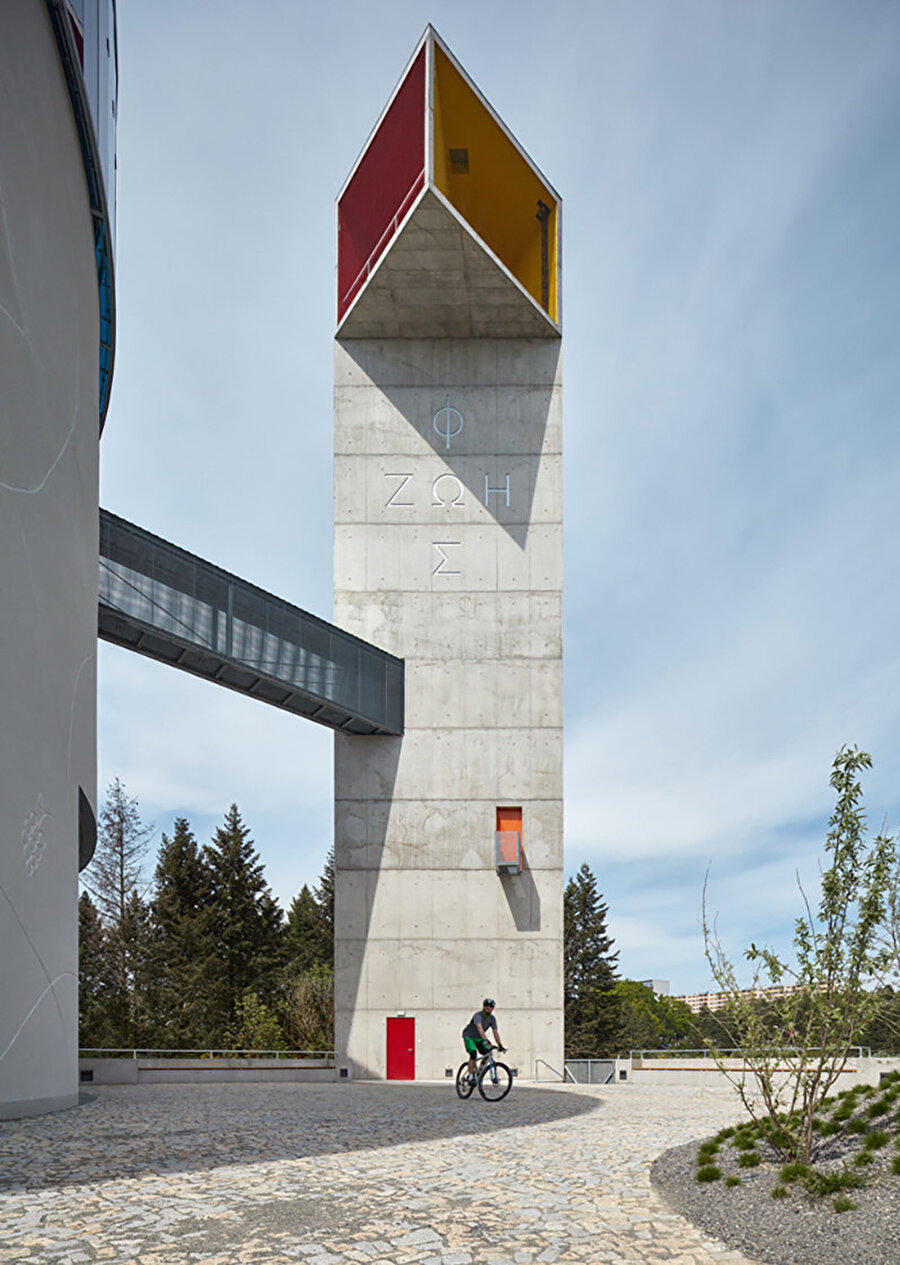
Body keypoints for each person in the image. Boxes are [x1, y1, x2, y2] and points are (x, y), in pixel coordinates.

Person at [462, 998, 505, 1083]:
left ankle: (479, 1072)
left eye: (490, 1006)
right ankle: (470, 1077)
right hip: (469, 1036)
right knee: (473, 1054)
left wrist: (500, 1044)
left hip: (479, 1038)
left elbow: (495, 1032)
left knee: (488, 1052)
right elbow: (480, 1028)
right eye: (486, 1005)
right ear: (483, 1006)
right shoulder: (478, 1015)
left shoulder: (492, 1019)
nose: (488, 1007)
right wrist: (486, 1040)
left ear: (493, 1008)